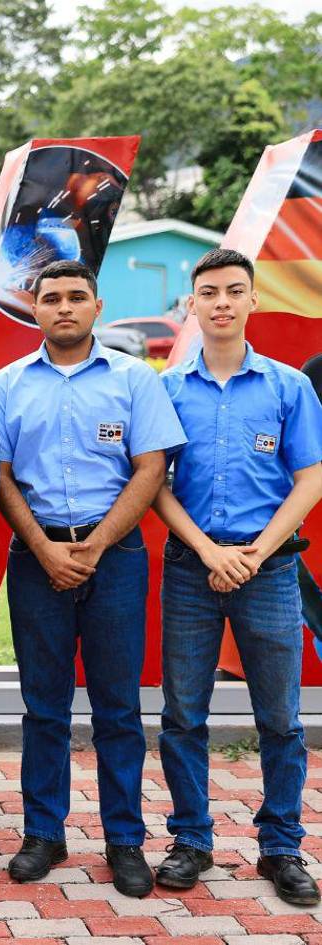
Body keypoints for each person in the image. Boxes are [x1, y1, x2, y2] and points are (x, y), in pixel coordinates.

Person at [0, 259, 185, 898]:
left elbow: (150, 467)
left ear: (97, 306)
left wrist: (96, 545)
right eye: (51, 298)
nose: (64, 307)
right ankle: (44, 833)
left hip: (116, 557)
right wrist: (43, 546)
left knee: (118, 708)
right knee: (43, 706)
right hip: (35, 554)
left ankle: (124, 839)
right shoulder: (8, 383)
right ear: (34, 309)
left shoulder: (134, 380)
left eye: (76, 297)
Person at [152, 248, 322, 904]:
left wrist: (253, 552)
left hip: (271, 570)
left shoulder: (288, 387)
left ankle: (282, 846)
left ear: (252, 301)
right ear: (191, 306)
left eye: (233, 291)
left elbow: (310, 478)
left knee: (280, 718)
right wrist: (208, 550)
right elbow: (155, 483)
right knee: (182, 713)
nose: (220, 302)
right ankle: (191, 838)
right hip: (192, 570)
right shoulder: (168, 389)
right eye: (208, 292)